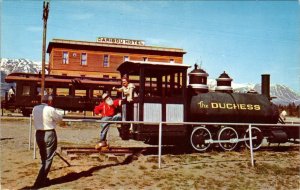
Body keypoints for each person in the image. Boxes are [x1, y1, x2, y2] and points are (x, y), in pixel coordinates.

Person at [32, 95, 63, 188]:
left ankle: (43, 178)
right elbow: (59, 119)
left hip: (38, 133)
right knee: (48, 158)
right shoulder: (50, 109)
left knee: (43, 156)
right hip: (49, 133)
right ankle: (39, 182)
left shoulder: (35, 108)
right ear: (50, 101)